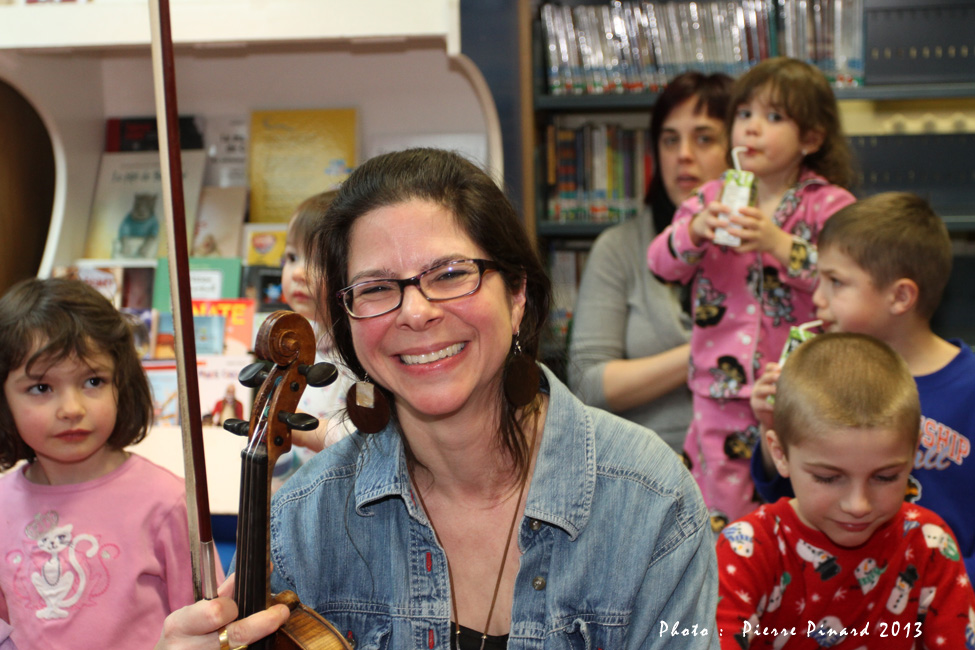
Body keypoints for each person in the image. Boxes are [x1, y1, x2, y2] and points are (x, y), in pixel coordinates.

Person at [156, 147, 718, 649]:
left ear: (517, 294)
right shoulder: (303, 522)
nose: (416, 312)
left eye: (450, 274)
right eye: (377, 288)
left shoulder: (650, 499)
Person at [647, 57, 857, 528]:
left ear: (811, 138)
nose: (752, 128)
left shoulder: (829, 205)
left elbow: (850, 279)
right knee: (719, 514)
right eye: (744, 114)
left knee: (801, 507)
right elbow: (660, 262)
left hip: (802, 391)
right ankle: (727, 575)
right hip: (717, 391)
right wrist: (695, 230)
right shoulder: (711, 197)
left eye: (773, 116)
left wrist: (779, 244)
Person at [750, 191, 975, 581]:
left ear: (900, 296)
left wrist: (946, 584)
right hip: (835, 597)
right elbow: (790, 502)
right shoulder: (823, 375)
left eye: (836, 282)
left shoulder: (969, 390)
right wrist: (773, 426)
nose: (817, 298)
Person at [717, 332, 975, 648]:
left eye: (886, 477)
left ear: (912, 455)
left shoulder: (930, 543)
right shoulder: (747, 549)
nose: (858, 505)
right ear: (780, 454)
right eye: (828, 478)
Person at [0, 277, 202, 649]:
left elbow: (205, 629)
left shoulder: (166, 500)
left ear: (121, 383)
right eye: (41, 388)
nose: (71, 409)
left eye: (93, 381)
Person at [568, 71, 733, 452]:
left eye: (704, 138)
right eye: (670, 139)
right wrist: (704, 350)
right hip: (647, 465)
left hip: (751, 464)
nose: (683, 154)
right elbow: (586, 384)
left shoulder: (763, 244)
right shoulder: (619, 247)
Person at [271, 191, 357, 492]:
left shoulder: (359, 353)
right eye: (292, 257)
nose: (297, 273)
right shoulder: (300, 342)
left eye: (318, 260)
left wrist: (302, 431)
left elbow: (365, 439)